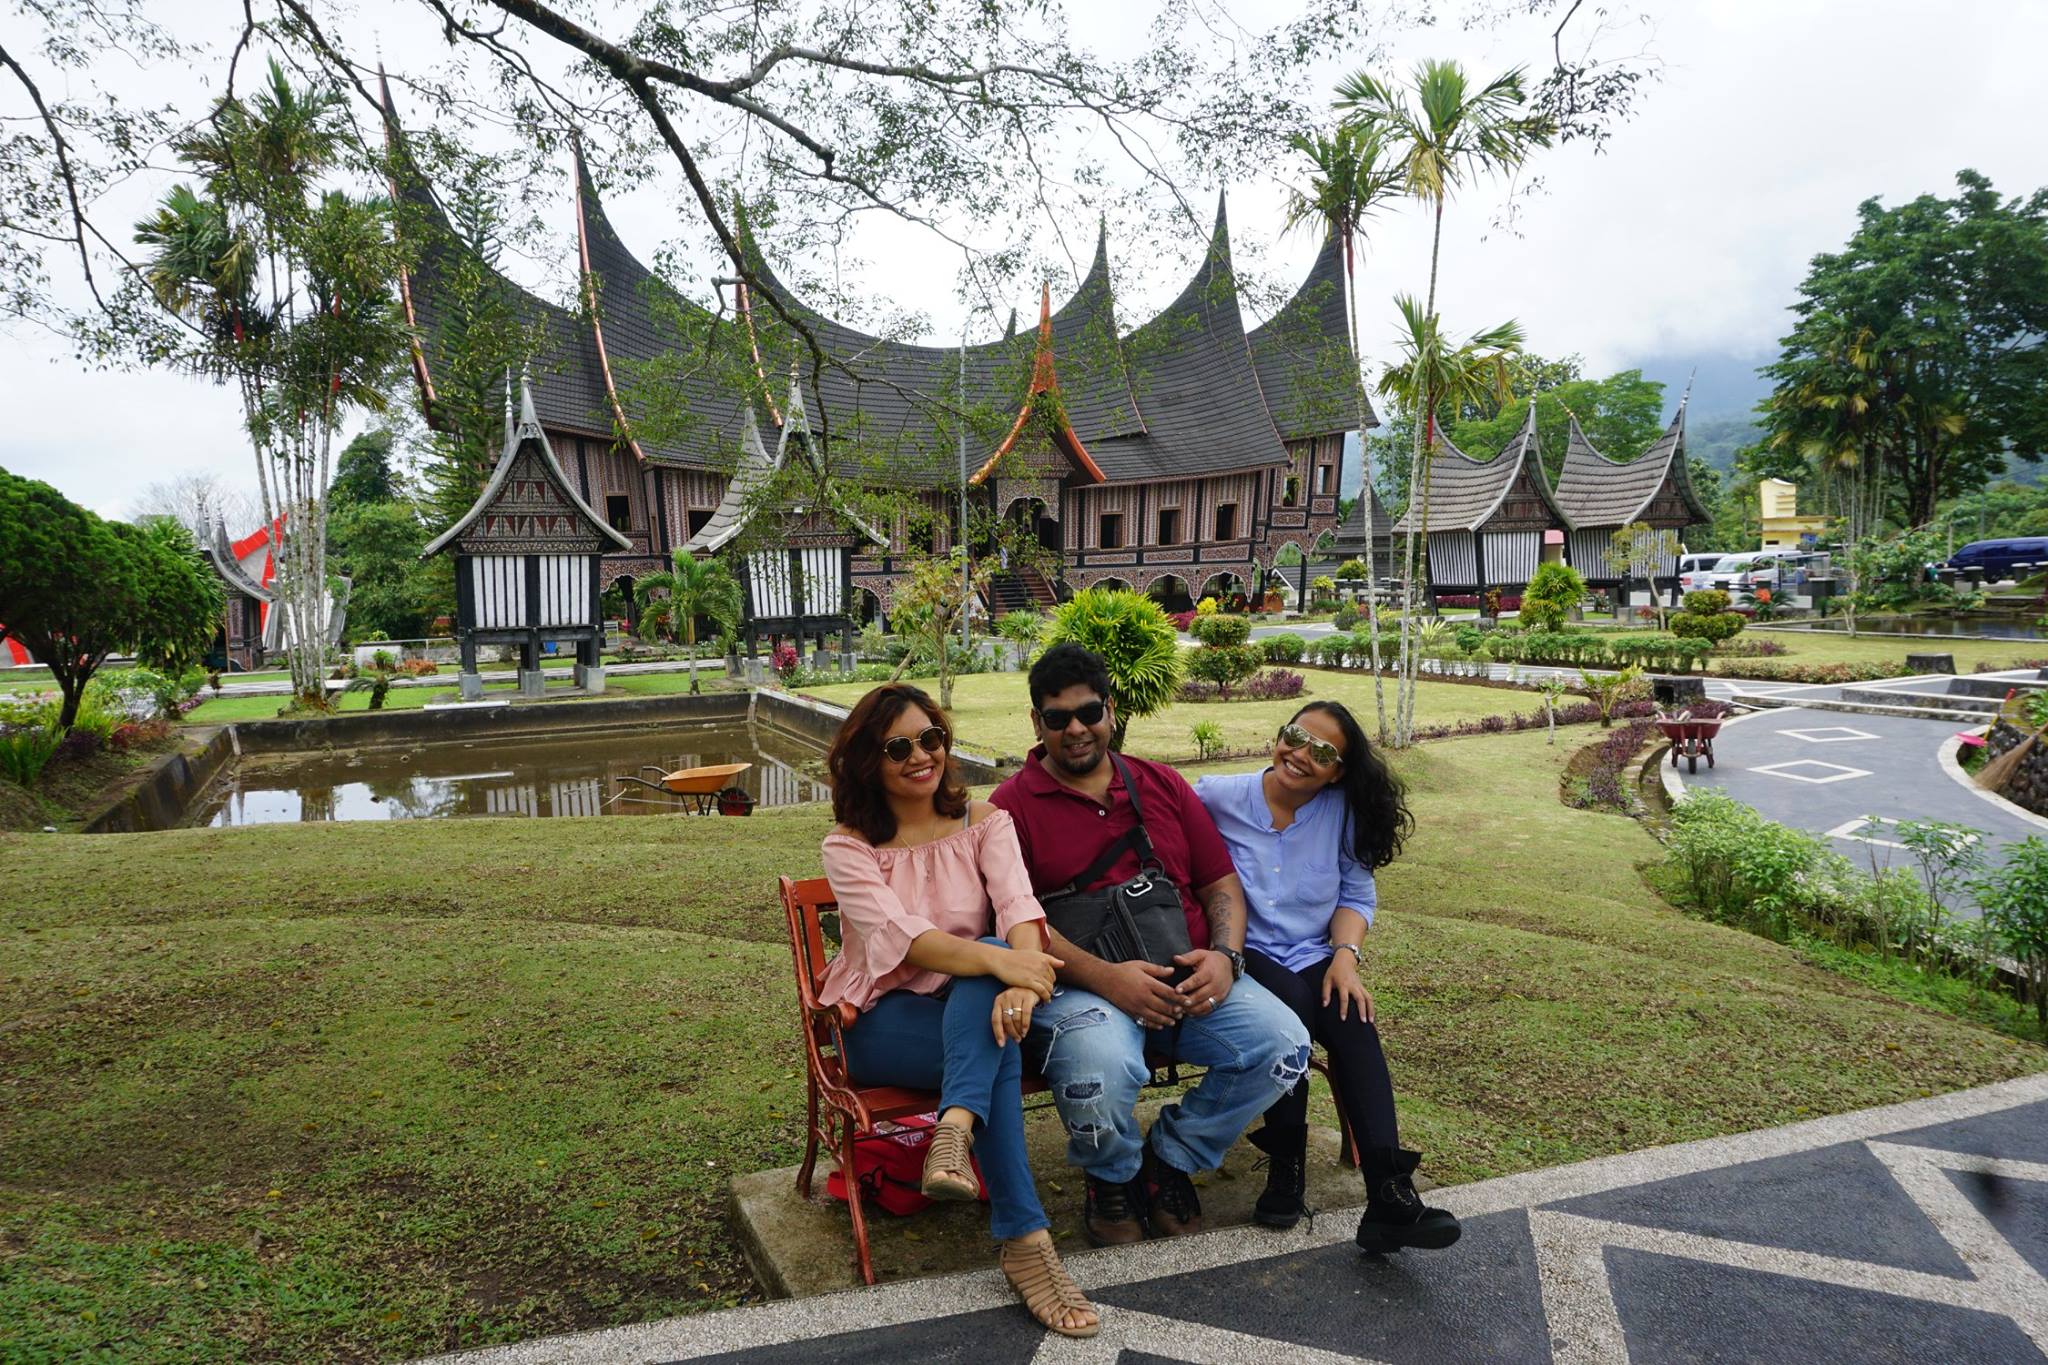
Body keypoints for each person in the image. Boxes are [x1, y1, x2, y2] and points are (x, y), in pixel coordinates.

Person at [989, 644, 1311, 1246]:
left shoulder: (1160, 783)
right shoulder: (1010, 807)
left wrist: (1225, 957)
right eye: (1057, 719)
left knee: (1284, 1046)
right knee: (1100, 1068)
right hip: (1082, 985)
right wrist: (1109, 979)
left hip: (1184, 973)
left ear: (1110, 710)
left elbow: (1219, 883)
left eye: (1088, 712)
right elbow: (1016, 920)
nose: (1076, 730)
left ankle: (1172, 1157)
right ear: (1037, 723)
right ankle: (1112, 1175)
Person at [819, 684, 1098, 1338]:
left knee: (993, 976)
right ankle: (1023, 1235)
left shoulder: (985, 822)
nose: (922, 755)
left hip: (975, 1016)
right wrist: (1008, 967)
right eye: (899, 746)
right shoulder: (848, 847)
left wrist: (1022, 985)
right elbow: (907, 940)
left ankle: (961, 1137)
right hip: (886, 1026)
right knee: (989, 981)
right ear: (868, 760)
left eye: (931, 738)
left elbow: (1021, 910)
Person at [1195, 700, 1460, 1254]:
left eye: (1322, 752)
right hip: (1245, 952)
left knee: (1353, 1015)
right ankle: (1286, 1165)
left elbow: (1356, 893)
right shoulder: (1217, 796)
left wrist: (1345, 956)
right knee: (1291, 1006)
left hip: (1315, 950)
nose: (1300, 755)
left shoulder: (1342, 811)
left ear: (1337, 770)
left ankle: (1389, 1194)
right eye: (1295, 736)